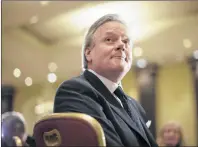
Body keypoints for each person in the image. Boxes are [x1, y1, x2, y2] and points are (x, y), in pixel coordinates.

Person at [54, 14, 158, 147]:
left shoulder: (134, 105)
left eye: (126, 41)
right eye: (109, 39)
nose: (121, 45)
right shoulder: (74, 91)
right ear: (88, 53)